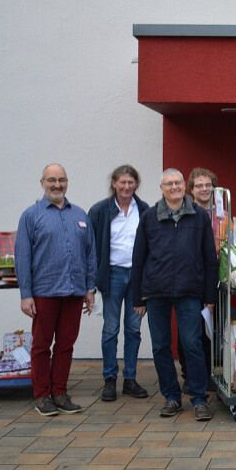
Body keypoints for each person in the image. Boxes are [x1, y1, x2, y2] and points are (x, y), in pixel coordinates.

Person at [131, 168, 218, 422]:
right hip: (156, 292)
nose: (174, 187)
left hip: (190, 291)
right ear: (161, 188)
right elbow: (138, 259)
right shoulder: (148, 217)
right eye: (169, 184)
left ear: (184, 186)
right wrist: (137, 297)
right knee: (160, 346)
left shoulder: (199, 216)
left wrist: (210, 296)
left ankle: (200, 398)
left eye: (178, 183)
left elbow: (209, 259)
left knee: (192, 345)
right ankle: (171, 397)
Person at [14, 163, 97, 416]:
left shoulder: (80, 215)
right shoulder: (31, 215)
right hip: (44, 292)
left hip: (74, 292)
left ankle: (59, 392)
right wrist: (25, 294)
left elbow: (90, 254)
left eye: (61, 180)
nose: (57, 185)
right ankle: (42, 395)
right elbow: (23, 257)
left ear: (67, 182)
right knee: (41, 345)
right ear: (42, 183)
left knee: (65, 345)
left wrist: (90, 288)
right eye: (51, 180)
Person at [88, 165, 149, 402]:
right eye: (122, 182)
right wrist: (91, 284)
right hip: (112, 275)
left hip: (137, 277)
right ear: (114, 183)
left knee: (133, 330)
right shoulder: (100, 211)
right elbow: (91, 249)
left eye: (130, 183)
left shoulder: (144, 210)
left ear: (136, 185)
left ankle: (131, 379)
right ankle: (109, 379)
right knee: (111, 329)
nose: (126, 187)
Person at [178, 167, 220, 393]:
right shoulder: (187, 212)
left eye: (208, 185)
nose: (204, 189)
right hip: (193, 275)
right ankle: (189, 375)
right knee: (190, 327)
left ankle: (207, 373)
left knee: (209, 328)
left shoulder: (221, 210)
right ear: (191, 189)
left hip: (216, 273)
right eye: (199, 186)